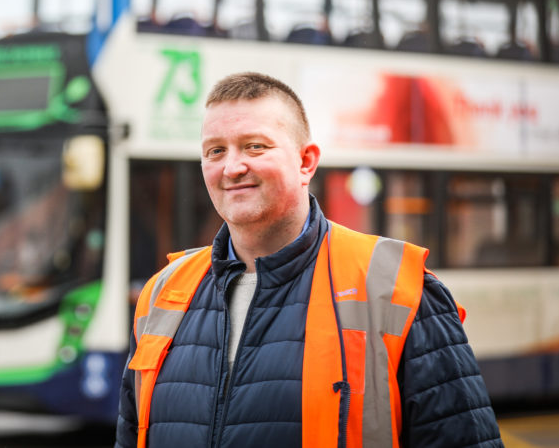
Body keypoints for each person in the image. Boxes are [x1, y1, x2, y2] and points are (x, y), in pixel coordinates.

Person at [115, 72, 502, 447]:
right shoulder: (161, 293)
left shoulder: (396, 288)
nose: (232, 168)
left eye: (255, 146)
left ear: (306, 163)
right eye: (215, 151)